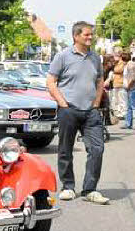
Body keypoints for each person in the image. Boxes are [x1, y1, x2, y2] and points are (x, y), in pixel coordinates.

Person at [46, 21, 109, 204]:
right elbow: (51, 82)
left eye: (91, 35)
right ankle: (68, 187)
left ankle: (90, 189)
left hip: (91, 112)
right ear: (76, 36)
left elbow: (100, 80)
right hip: (69, 110)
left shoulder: (95, 58)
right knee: (65, 149)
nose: (90, 37)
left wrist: (96, 103)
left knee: (97, 149)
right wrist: (62, 103)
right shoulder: (63, 56)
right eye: (87, 35)